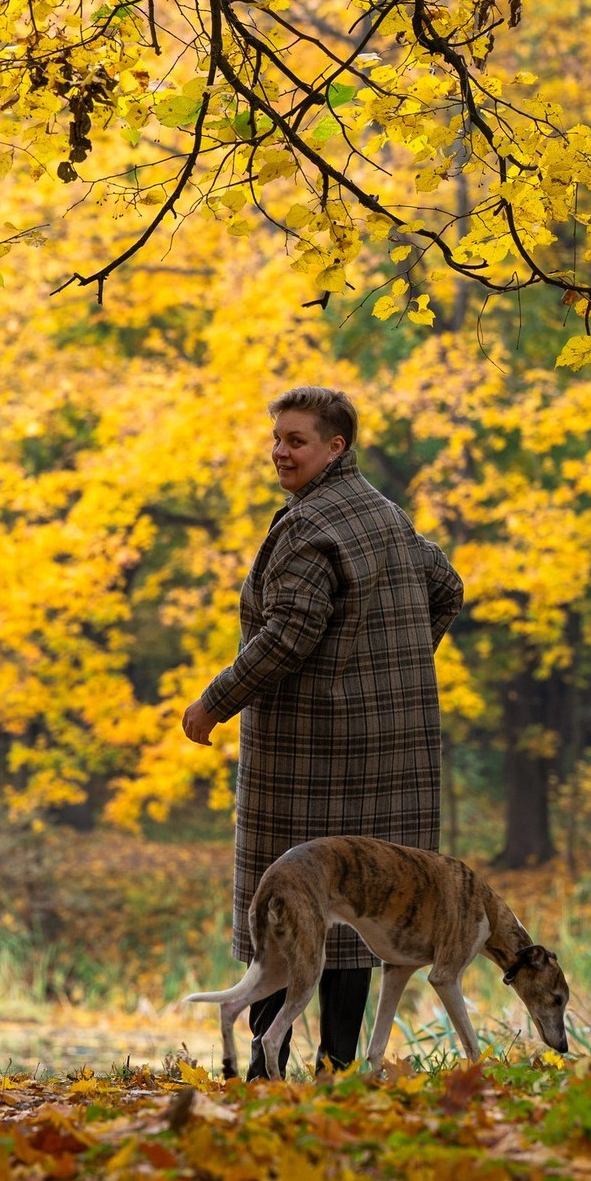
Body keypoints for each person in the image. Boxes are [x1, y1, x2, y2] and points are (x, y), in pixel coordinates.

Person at [182, 386, 463, 1078]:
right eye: (277, 438)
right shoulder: (387, 517)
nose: (281, 451)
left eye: (297, 440)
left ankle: (261, 1070)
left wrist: (214, 703)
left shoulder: (311, 528)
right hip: (389, 753)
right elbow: (447, 586)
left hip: (309, 758)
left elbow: (289, 633)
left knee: (285, 902)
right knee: (362, 908)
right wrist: (389, 671)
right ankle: (337, 1066)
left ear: (336, 447)